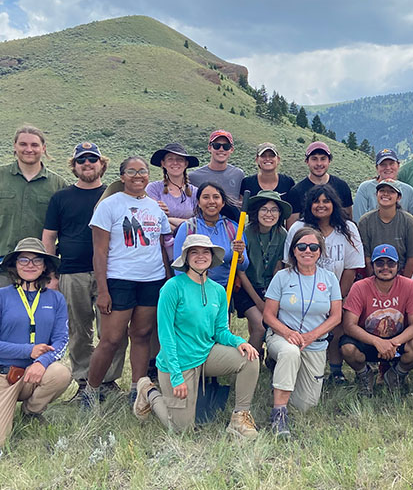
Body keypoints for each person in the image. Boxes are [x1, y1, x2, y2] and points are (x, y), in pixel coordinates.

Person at [134, 235, 260, 438]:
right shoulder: (172, 288)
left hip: (206, 353)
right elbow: (165, 336)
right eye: (194, 252)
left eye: (205, 252)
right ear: (185, 258)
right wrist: (176, 376)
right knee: (181, 431)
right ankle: (149, 391)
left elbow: (220, 331)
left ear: (212, 257)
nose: (200, 256)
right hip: (178, 361)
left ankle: (240, 417)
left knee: (250, 358)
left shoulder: (218, 291)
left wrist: (239, 341)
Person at [81, 157, 171, 409]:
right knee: (111, 339)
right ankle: (91, 390)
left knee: (142, 335)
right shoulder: (109, 205)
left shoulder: (155, 208)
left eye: (142, 171)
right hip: (120, 279)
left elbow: (161, 248)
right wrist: (103, 290)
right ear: (121, 177)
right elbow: (99, 251)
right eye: (131, 171)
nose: (137, 175)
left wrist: (165, 279)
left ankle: (137, 389)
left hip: (151, 280)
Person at [41, 142, 126, 396]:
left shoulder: (115, 197)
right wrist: (51, 275)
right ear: (74, 166)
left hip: (112, 273)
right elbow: (48, 237)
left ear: (102, 164)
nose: (87, 164)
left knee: (114, 331)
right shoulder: (61, 198)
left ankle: (108, 381)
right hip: (71, 271)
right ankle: (83, 382)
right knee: (78, 330)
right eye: (81, 160)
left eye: (92, 159)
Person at [0, 238, 72, 448]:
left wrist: (41, 362)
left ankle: (31, 411)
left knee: (61, 373)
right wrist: (30, 351)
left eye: (37, 260)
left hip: (35, 374)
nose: (30, 265)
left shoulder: (56, 299)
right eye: (23, 260)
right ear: (15, 265)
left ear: (45, 266)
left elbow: (61, 340)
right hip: (1, 374)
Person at [0, 126, 67, 302]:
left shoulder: (58, 184)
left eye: (34, 145)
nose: (29, 149)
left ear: (43, 148)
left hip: (41, 269)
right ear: (15, 146)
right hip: (1, 265)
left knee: (40, 324)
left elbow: (68, 225)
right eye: (23, 144)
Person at [263, 228, 343, 436]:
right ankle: (279, 414)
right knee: (290, 353)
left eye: (313, 247)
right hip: (283, 338)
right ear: (293, 250)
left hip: (314, 343)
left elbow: (336, 316)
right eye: (302, 246)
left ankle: (283, 376)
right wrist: (288, 333)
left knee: (305, 405)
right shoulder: (282, 276)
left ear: (320, 251)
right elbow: (269, 316)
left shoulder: (330, 278)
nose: (308, 251)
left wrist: (311, 336)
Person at [283, 185, 364, 383]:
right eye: (316, 201)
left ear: (334, 204)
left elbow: (351, 268)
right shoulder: (298, 228)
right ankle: (295, 367)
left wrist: (338, 298)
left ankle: (336, 371)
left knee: (336, 329)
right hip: (301, 293)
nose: (321, 205)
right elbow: (289, 264)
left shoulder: (348, 228)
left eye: (326, 201)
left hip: (335, 293)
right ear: (309, 205)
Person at [340, 244, 413, 395]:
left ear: (398, 266)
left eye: (390, 263)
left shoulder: (410, 285)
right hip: (368, 340)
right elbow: (349, 325)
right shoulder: (359, 287)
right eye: (380, 263)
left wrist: (392, 343)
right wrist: (377, 341)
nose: (385, 267)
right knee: (347, 349)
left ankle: (396, 375)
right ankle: (365, 375)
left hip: (397, 341)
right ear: (372, 266)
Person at [236, 191, 291, 358]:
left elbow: (278, 267)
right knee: (260, 324)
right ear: (256, 212)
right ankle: (249, 363)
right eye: (264, 209)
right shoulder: (245, 233)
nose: (269, 214)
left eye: (274, 210)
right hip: (246, 287)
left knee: (277, 321)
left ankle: (270, 356)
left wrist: (270, 297)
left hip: (269, 287)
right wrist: (260, 302)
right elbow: (241, 271)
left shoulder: (282, 234)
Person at [172, 182, 248, 290]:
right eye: (206, 197)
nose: (211, 201)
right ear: (198, 202)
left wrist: (240, 256)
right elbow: (178, 268)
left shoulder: (232, 229)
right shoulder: (188, 228)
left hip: (223, 291)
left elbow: (243, 266)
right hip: (193, 289)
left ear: (223, 203)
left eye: (216, 197)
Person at [357, 180, 413, 278]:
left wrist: (404, 283)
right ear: (376, 195)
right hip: (374, 273)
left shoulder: (409, 221)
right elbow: (366, 256)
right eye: (382, 191)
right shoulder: (365, 221)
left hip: (403, 272)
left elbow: (412, 256)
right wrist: (374, 280)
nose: (386, 194)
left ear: (398, 197)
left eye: (391, 191)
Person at [285, 141, 354, 224]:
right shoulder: (296, 192)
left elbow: (348, 219)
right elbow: (292, 227)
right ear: (307, 161)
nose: (319, 163)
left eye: (323, 159)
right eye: (314, 159)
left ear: (329, 161)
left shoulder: (342, 187)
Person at [146, 141, 200, 235]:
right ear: (163, 163)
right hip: (160, 244)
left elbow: (199, 224)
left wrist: (168, 220)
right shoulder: (153, 189)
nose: (175, 163)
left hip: (188, 245)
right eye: (170, 159)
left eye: (179, 159)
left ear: (186, 164)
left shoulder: (195, 192)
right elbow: (151, 220)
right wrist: (185, 225)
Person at [353, 148, 413, 221]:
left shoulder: (408, 190)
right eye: (383, 165)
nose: (388, 168)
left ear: (398, 165)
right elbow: (358, 219)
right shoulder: (365, 188)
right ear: (377, 168)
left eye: (391, 164)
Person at [189, 130, 245, 207]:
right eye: (216, 146)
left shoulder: (239, 175)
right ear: (209, 148)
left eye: (226, 146)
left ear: (231, 149)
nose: (221, 149)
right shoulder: (193, 177)